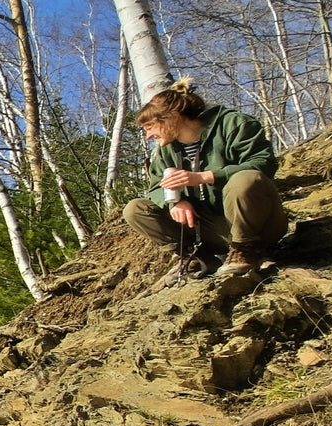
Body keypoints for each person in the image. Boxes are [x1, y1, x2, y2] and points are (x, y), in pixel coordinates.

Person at [123, 78, 287, 283]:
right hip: (208, 231)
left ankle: (245, 251)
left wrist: (206, 176)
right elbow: (156, 187)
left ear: (171, 117)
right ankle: (196, 257)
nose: (148, 136)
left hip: (258, 225)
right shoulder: (166, 152)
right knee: (136, 209)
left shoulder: (233, 124)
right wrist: (175, 201)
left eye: (149, 127)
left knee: (245, 179)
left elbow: (264, 163)